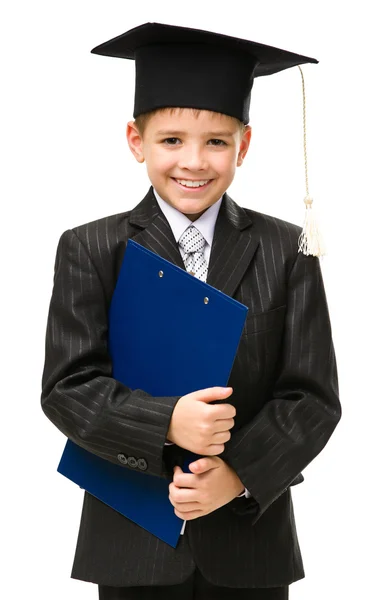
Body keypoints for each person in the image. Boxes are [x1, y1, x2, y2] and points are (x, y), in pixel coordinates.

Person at [40, 22, 341, 600]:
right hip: (133, 544)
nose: (194, 162)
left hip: (249, 542)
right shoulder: (91, 249)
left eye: (217, 142)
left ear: (244, 145)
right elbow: (67, 388)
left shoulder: (285, 251)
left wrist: (238, 477)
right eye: (172, 140)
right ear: (136, 140)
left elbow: (312, 396)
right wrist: (166, 423)